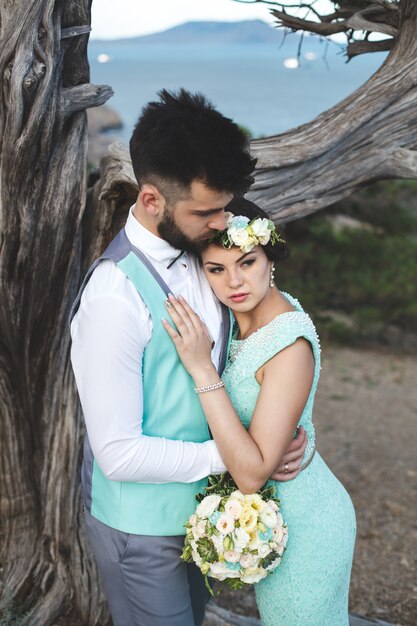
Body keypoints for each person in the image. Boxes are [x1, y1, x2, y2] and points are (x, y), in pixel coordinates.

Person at [69, 89, 308, 626]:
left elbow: (253, 361)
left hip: (207, 519)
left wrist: (280, 439)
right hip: (141, 532)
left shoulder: (209, 254)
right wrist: (244, 460)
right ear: (151, 200)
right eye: (207, 210)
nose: (224, 222)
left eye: (226, 206)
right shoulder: (114, 297)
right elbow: (119, 456)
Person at [163, 196, 357, 626]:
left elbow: (252, 474)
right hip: (275, 520)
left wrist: (200, 368)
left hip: (308, 526)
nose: (234, 281)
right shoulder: (231, 316)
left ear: (270, 258)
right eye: (217, 269)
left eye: (247, 262)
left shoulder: (287, 345)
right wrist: (303, 430)